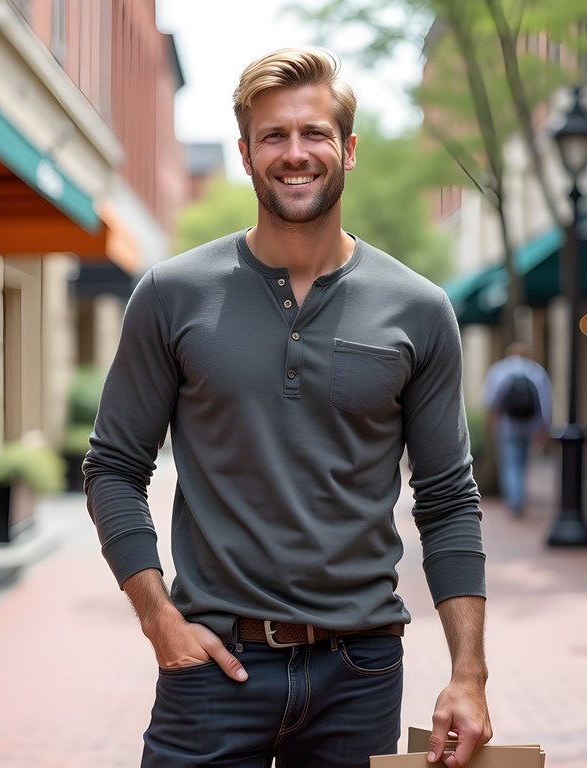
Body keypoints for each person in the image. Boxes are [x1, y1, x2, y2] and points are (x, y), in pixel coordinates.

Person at [83, 47, 491, 768]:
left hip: (359, 673)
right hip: (210, 667)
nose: (294, 153)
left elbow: (449, 499)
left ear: (349, 148)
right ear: (244, 153)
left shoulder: (419, 310)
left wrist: (468, 673)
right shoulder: (172, 295)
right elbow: (114, 466)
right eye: (273, 136)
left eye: (314, 134)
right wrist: (158, 620)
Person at [482, 342, 553, 518]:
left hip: (506, 426)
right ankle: (519, 498)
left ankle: (515, 502)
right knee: (522, 462)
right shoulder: (536, 371)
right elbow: (545, 403)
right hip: (529, 426)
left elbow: (491, 400)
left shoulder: (500, 370)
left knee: (509, 462)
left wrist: (490, 423)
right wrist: (544, 427)